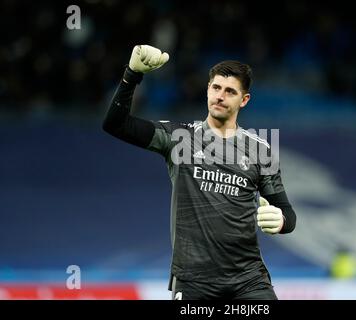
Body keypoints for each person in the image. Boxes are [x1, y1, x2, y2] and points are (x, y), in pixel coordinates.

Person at [103, 45, 297, 300]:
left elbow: (288, 213)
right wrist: (132, 75)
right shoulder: (179, 137)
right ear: (207, 89)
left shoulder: (261, 150)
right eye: (216, 88)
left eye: (230, 91)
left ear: (244, 100)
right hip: (194, 283)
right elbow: (115, 124)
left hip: (249, 282)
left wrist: (281, 221)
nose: (220, 96)